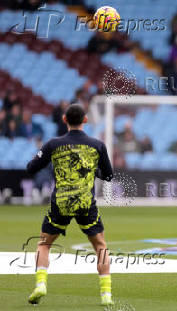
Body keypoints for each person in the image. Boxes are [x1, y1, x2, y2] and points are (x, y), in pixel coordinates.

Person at [26, 104, 114, 306]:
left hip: (61, 202)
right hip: (85, 203)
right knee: (100, 246)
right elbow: (108, 175)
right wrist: (93, 171)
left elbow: (31, 168)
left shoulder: (52, 144)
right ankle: (106, 294)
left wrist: (45, 158)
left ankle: (41, 284)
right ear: (85, 120)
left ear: (64, 119)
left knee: (44, 244)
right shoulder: (97, 145)